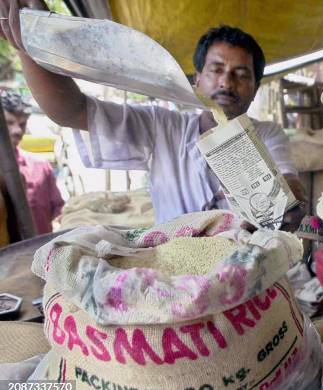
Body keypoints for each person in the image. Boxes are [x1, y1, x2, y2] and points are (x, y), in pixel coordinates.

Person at [0, 0, 306, 230]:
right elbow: (73, 111)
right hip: (178, 275)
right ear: (196, 79)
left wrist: (288, 202)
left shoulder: (267, 134)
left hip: (249, 270)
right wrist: (32, 47)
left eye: (241, 74)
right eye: (216, 70)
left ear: (254, 88)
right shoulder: (163, 128)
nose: (227, 82)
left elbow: (290, 187)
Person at [0, 90, 64, 235]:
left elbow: (59, 210)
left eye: (22, 124)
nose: (16, 130)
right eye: (9, 123)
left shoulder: (41, 166)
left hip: (40, 250)